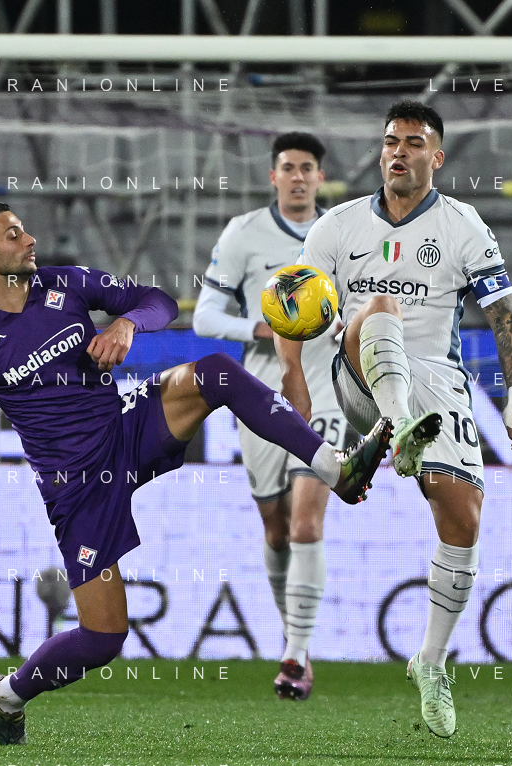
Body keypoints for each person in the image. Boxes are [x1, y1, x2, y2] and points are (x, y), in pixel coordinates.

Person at [0, 202, 391, 745]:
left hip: (124, 428)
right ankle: (8, 695)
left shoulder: (68, 284)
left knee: (218, 373)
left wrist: (126, 324)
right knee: (104, 637)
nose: (29, 238)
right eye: (13, 234)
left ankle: (336, 469)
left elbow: (160, 301)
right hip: (76, 488)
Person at [279, 101, 512, 737]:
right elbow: (292, 306)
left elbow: (503, 313)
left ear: (436, 157)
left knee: (463, 519)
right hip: (359, 375)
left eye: (413, 143)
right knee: (379, 307)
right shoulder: (337, 227)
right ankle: (396, 432)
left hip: (438, 381)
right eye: (391, 141)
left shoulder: (462, 225)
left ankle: (431, 661)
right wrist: (296, 385)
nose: (398, 151)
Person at [193, 132, 341, 700]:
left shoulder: (343, 233)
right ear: (273, 176)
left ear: (320, 177)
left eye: (307, 168)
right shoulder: (244, 233)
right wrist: (262, 327)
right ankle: (293, 637)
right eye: (288, 168)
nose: (298, 177)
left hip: (326, 387)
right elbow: (205, 317)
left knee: (306, 522)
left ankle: (296, 654)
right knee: (276, 531)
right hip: (260, 389)